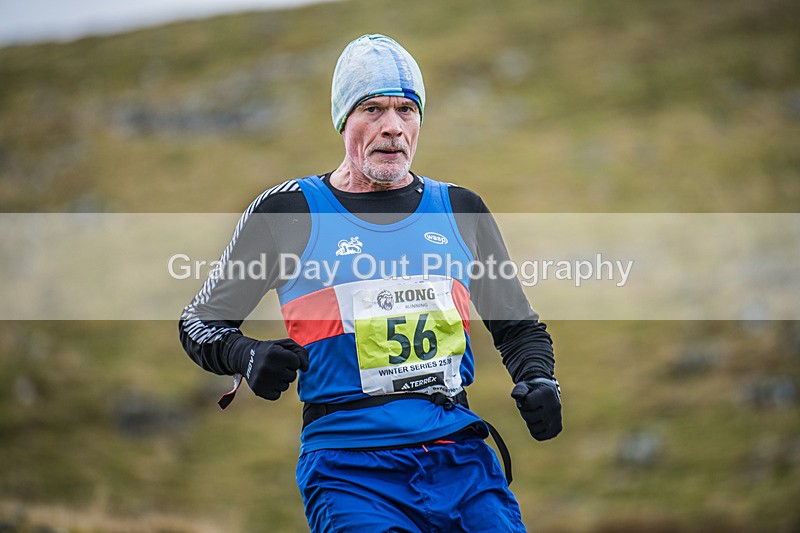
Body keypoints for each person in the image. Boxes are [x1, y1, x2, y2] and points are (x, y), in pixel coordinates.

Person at [179, 34, 562, 533]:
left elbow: (518, 328)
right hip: (349, 472)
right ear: (343, 120)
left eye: (407, 110)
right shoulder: (289, 212)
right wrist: (244, 355)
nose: (392, 128)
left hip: (460, 460)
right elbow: (200, 322)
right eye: (372, 109)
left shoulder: (460, 209)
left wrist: (539, 378)